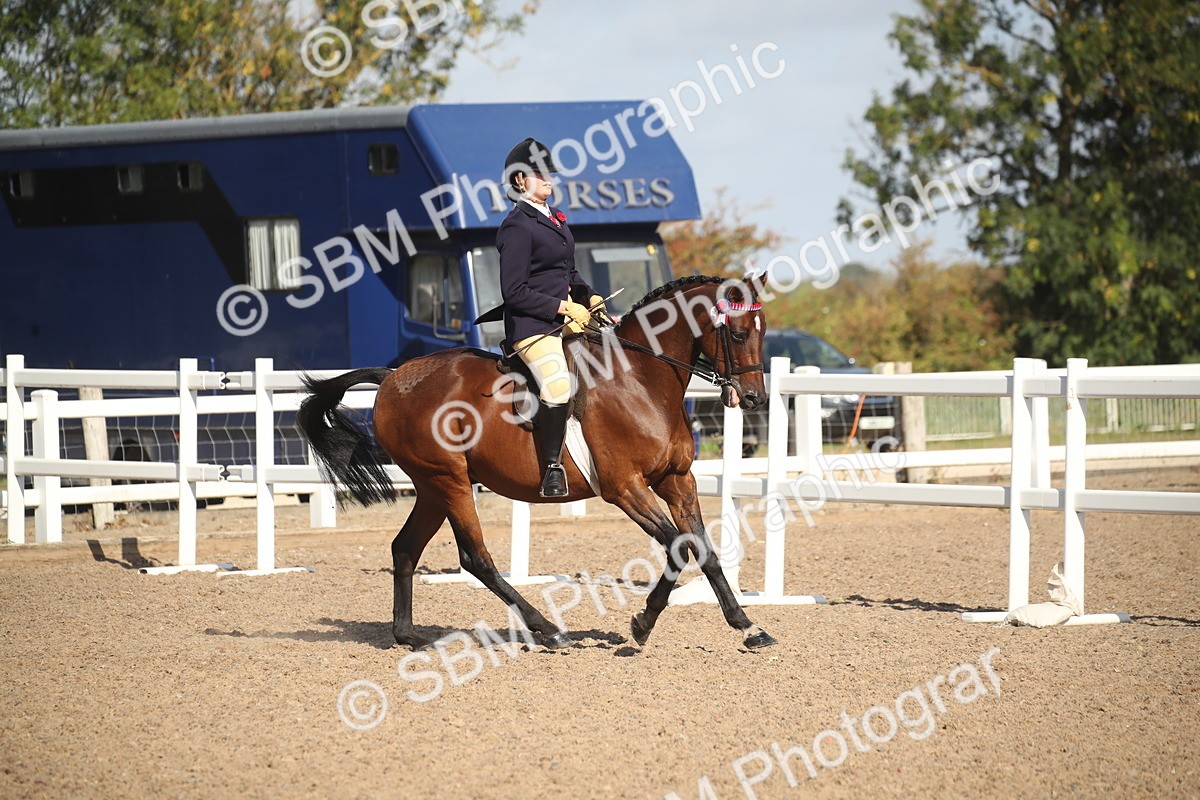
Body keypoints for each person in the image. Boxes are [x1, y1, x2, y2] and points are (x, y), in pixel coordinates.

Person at [490, 137, 606, 498]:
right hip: (532, 327)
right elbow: (514, 292)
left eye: (550, 174)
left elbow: (569, 273)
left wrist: (590, 296)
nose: (549, 180)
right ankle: (553, 468)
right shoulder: (516, 226)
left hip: (566, 322)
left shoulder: (555, 220)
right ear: (520, 180)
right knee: (558, 384)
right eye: (541, 175)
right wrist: (561, 307)